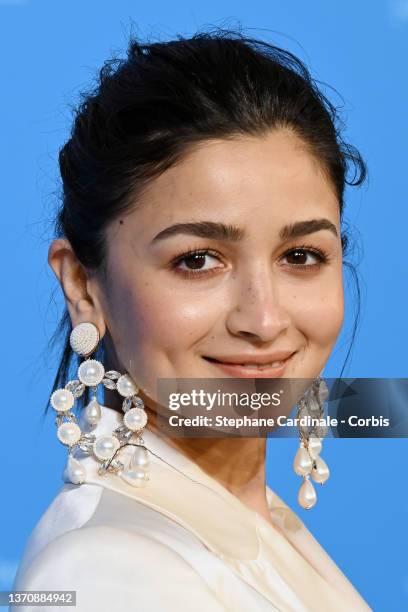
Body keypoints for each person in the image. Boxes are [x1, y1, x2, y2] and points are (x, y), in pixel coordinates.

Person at [13, 28, 372, 611]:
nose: (264, 318)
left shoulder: (239, 526)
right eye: (197, 260)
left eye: (300, 256)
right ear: (83, 284)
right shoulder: (106, 569)